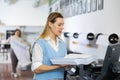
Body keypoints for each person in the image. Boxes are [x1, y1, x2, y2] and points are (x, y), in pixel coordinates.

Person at [31, 12, 69, 80]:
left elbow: (65, 66)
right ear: (50, 24)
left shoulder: (62, 44)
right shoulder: (40, 43)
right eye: (59, 25)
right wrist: (58, 66)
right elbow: (36, 68)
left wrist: (69, 65)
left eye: (63, 25)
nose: (62, 27)